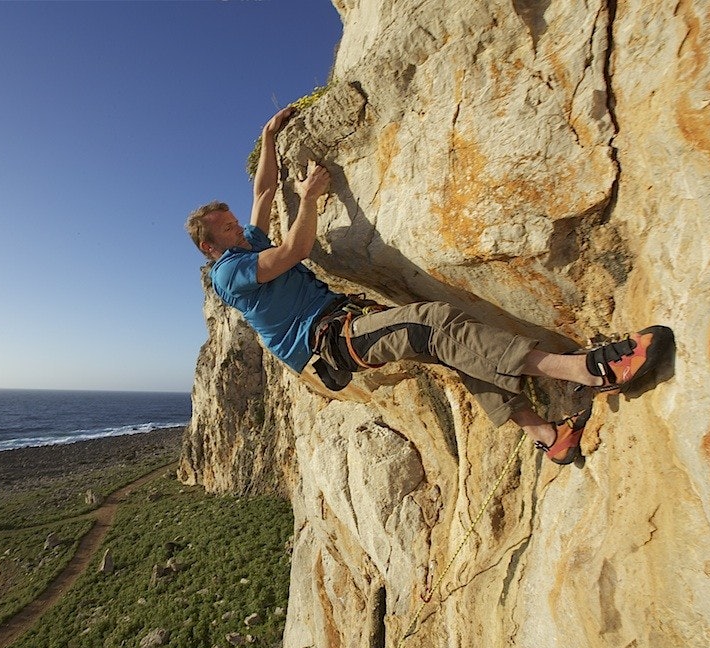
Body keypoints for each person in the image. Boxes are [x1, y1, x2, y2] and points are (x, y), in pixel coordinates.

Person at [185, 107, 672, 465]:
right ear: (210, 248)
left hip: (338, 321)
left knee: (450, 348)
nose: (238, 229)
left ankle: (549, 435)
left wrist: (268, 135)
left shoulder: (243, 243)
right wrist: (310, 196)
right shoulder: (230, 273)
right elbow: (292, 251)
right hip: (326, 344)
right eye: (226, 230)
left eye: (232, 222)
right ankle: (588, 370)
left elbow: (264, 192)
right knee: (435, 324)